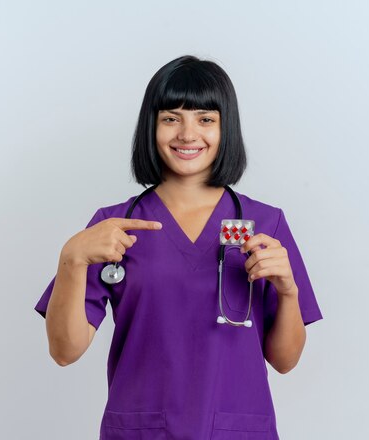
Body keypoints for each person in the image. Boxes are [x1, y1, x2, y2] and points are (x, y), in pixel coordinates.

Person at [34, 55, 323, 440]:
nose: (188, 134)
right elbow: (64, 351)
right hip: (143, 431)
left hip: (235, 430)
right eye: (171, 118)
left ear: (226, 129)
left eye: (206, 119)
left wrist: (288, 292)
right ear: (151, 127)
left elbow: (285, 361)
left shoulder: (265, 225)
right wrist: (71, 259)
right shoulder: (114, 226)